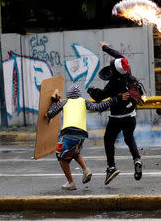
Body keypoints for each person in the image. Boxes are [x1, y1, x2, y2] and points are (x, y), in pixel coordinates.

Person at [87, 41, 145, 185]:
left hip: (117, 118)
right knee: (129, 138)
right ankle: (137, 159)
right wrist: (105, 48)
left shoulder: (112, 84)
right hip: (131, 115)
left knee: (108, 140)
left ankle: (111, 167)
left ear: (113, 71)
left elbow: (100, 97)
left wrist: (91, 90)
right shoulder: (128, 73)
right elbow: (119, 56)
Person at [47, 83, 122, 190]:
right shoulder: (84, 101)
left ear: (69, 94)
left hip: (69, 132)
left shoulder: (64, 102)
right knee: (75, 151)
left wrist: (54, 102)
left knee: (61, 156)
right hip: (81, 134)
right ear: (79, 94)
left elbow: (50, 114)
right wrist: (114, 99)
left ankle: (71, 183)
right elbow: (99, 107)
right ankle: (86, 170)